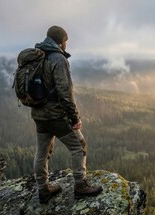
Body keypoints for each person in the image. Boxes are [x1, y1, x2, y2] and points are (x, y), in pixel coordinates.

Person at [32, 26, 102, 204]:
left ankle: (43, 189)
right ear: (61, 41)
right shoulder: (58, 58)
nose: (66, 44)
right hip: (56, 114)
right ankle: (80, 185)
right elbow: (64, 92)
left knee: (42, 151)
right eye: (66, 41)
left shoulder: (37, 55)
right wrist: (75, 118)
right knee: (79, 146)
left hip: (38, 113)